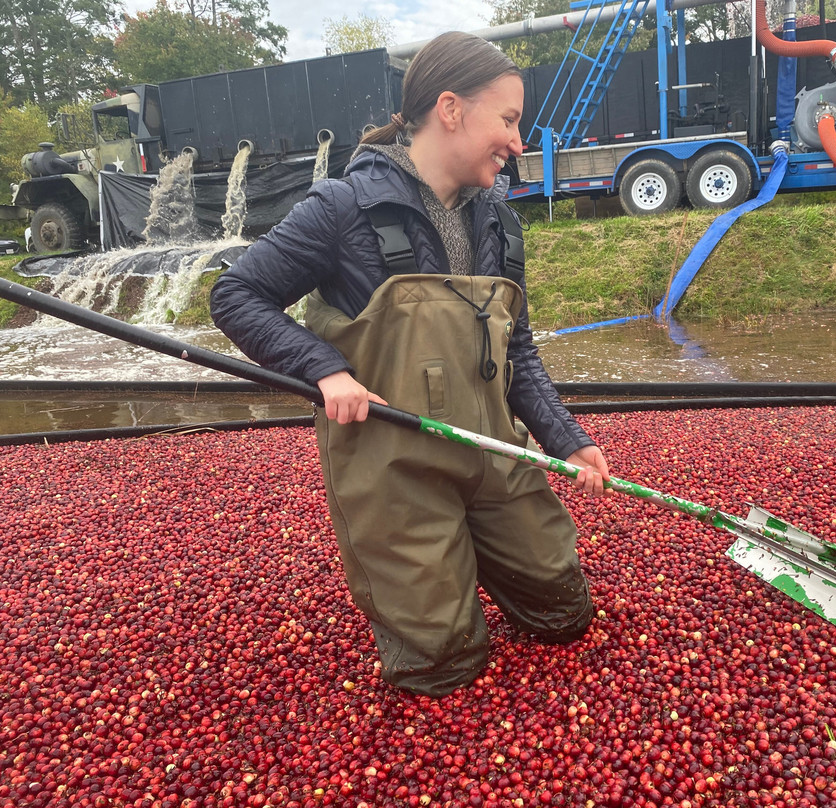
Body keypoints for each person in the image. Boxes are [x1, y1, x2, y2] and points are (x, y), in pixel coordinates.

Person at [210, 31, 612, 697]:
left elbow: (519, 352)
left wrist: (570, 441)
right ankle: (437, 571)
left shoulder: (499, 223)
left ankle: (475, 546)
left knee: (564, 616)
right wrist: (323, 368)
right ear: (450, 109)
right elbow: (237, 295)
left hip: (492, 454)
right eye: (508, 120)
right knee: (443, 669)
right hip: (395, 469)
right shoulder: (342, 209)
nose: (518, 141)